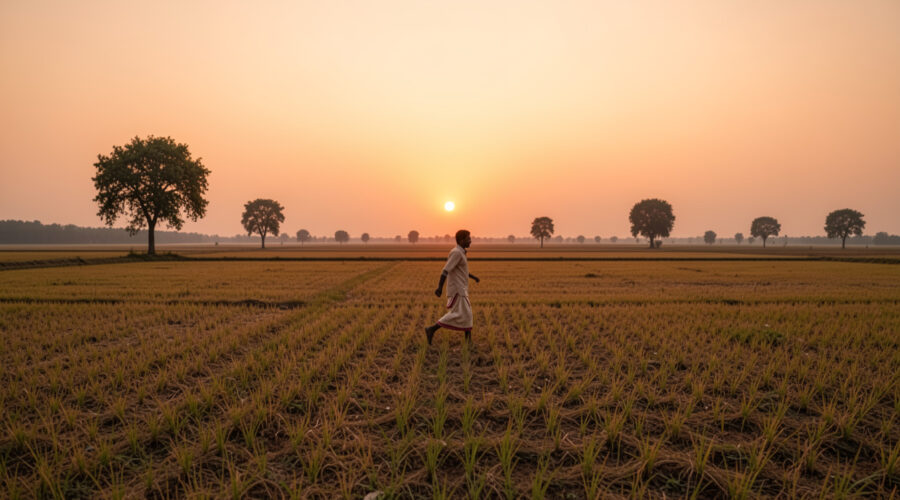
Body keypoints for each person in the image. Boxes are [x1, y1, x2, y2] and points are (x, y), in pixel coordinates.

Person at [425, 229, 480, 345]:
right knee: (462, 314)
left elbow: (462, 271)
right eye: (468, 239)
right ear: (461, 240)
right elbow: (445, 270)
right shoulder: (456, 253)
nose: (471, 241)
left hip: (461, 289)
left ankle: (468, 341)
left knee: (467, 315)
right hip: (457, 290)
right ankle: (431, 329)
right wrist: (439, 287)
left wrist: (474, 277)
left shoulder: (461, 253)